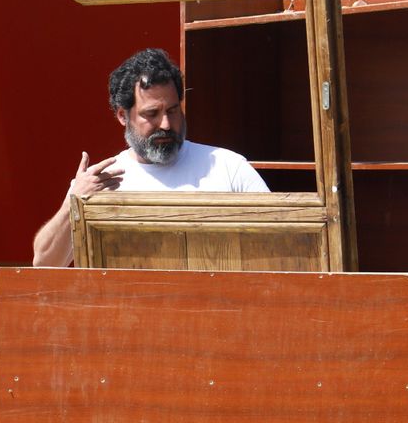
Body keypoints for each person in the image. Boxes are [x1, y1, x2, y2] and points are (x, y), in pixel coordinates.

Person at [32, 48, 268, 267]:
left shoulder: (228, 167)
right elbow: (44, 264)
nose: (166, 124)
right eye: (152, 114)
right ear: (123, 116)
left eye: (173, 111)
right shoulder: (99, 182)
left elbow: (275, 244)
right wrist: (74, 203)